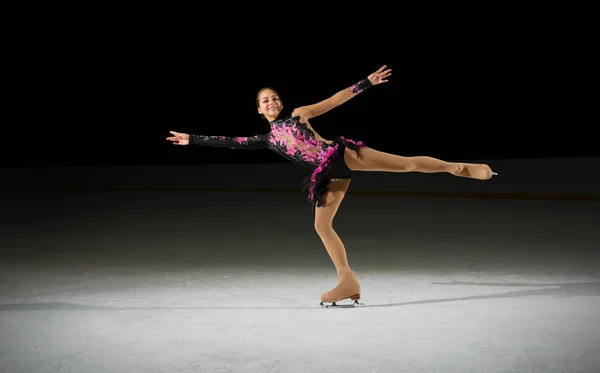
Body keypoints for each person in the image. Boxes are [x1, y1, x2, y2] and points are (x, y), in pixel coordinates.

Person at [167, 65, 497, 307]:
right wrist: (192, 139)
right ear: (258, 109)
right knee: (322, 225)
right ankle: (347, 281)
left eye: (275, 98)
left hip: (342, 154)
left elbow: (334, 100)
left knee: (406, 163)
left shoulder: (298, 115)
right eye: (266, 100)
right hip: (328, 175)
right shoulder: (265, 140)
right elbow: (229, 142)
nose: (272, 102)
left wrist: (366, 82)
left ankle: (457, 168)